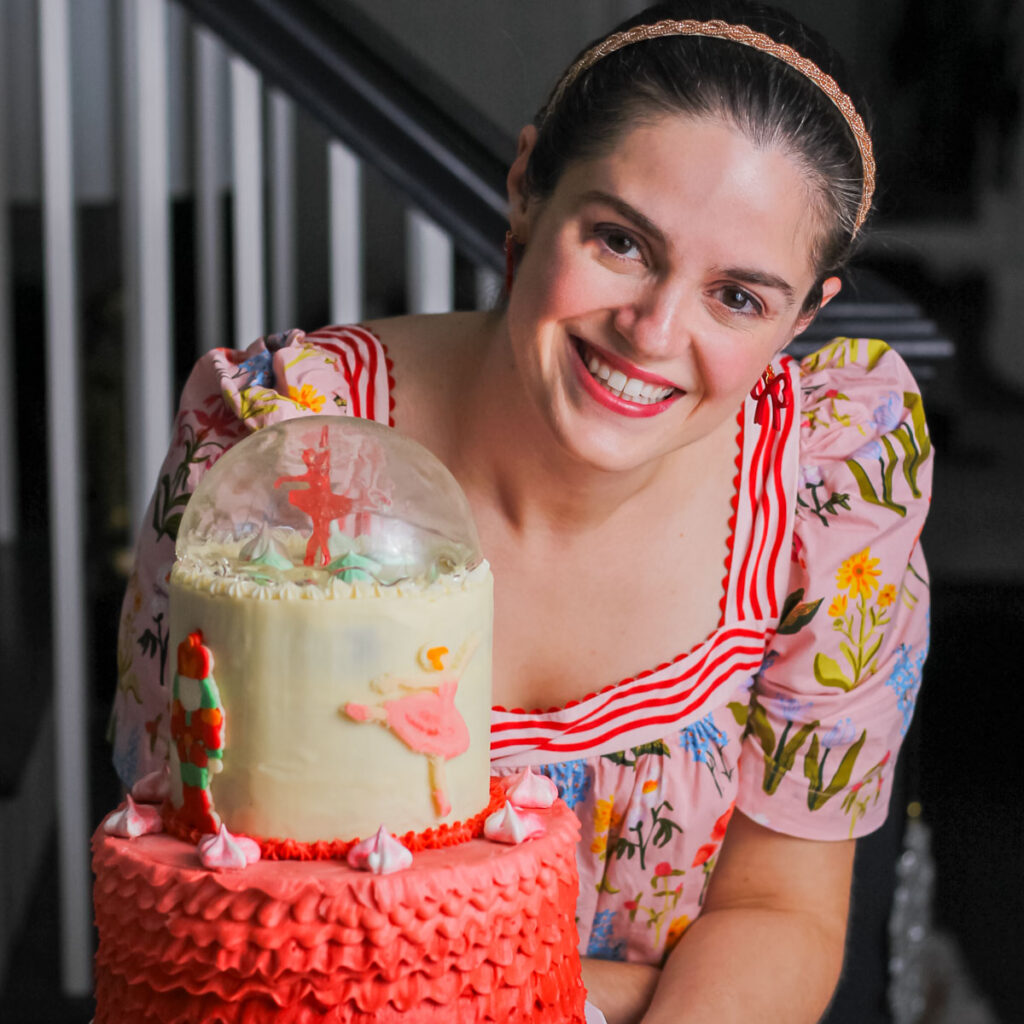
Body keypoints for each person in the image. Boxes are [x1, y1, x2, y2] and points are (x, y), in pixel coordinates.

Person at [110, 1, 932, 1021]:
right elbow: (219, 913)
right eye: (621, 241)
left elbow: (779, 911)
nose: (652, 331)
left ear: (805, 315)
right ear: (526, 187)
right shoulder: (276, 449)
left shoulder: (832, 481)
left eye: (740, 297)